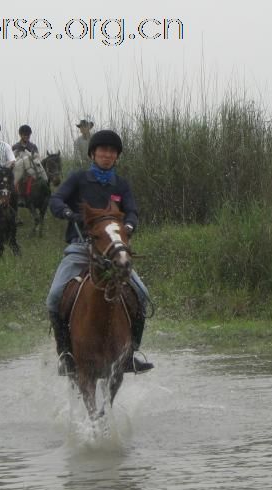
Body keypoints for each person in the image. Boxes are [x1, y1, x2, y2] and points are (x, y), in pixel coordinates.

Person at [47, 129, 154, 374]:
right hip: (81, 247)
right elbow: (56, 200)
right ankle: (66, 354)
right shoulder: (78, 179)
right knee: (53, 297)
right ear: (93, 154)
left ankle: (131, 353)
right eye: (103, 150)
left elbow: (133, 211)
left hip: (113, 250)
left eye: (112, 152)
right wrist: (66, 212)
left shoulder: (121, 185)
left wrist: (128, 225)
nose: (107, 154)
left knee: (142, 293)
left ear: (116, 157)